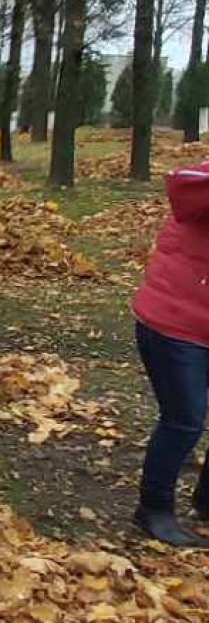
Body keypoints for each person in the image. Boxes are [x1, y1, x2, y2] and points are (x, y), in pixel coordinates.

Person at [131, 155, 209, 546]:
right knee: (184, 420)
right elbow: (182, 180)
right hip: (176, 323)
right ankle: (153, 509)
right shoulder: (200, 182)